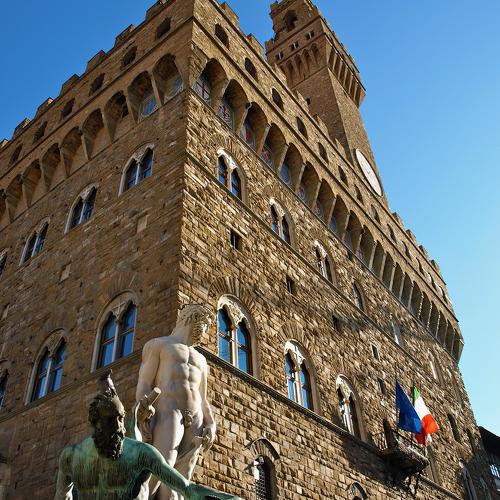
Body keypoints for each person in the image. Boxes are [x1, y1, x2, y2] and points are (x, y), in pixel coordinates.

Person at [54, 373, 239, 500]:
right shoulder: (71, 457)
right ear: (95, 423)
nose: (118, 426)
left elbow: (188, 489)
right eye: (111, 420)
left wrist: (228, 498)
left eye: (120, 418)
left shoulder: (141, 453)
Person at [135, 304, 216, 500]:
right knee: (163, 462)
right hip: (169, 410)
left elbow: (203, 398)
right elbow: (145, 382)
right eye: (205, 325)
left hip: (195, 416)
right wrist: (143, 407)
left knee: (182, 476)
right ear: (193, 319)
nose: (205, 332)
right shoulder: (159, 345)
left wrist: (211, 422)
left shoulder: (201, 359)